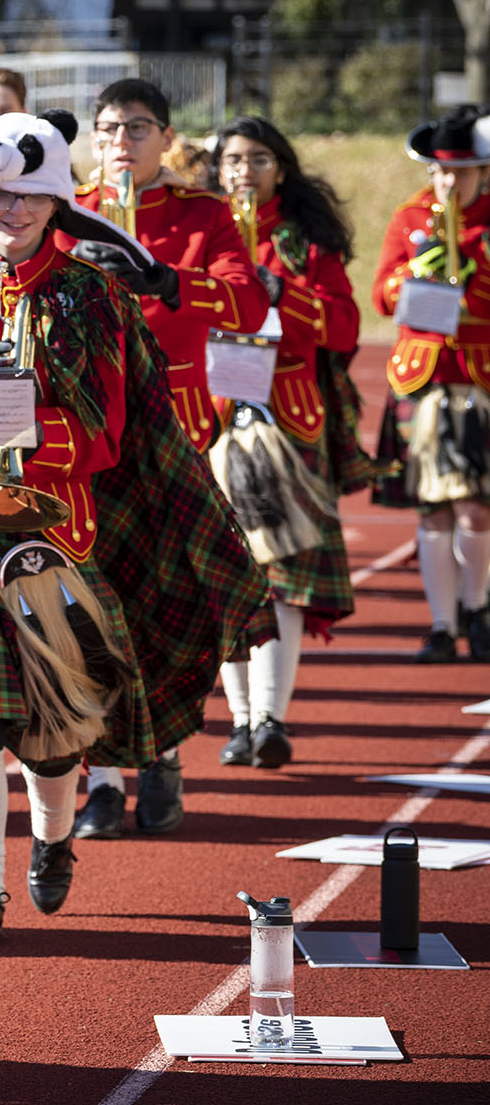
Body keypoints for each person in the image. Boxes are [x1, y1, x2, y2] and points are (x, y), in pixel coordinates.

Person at [0, 110, 270, 945]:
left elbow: (101, 435)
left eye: (31, 195)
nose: (13, 211)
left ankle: (54, 839)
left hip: (55, 532)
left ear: (57, 201)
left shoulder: (91, 290)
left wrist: (14, 418)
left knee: (52, 736)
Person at [63, 76, 265, 840]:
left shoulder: (202, 213)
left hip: (175, 434)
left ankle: (168, 755)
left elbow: (247, 303)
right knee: (86, 610)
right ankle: (103, 780)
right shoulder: (65, 208)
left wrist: (169, 281)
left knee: (165, 607)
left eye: (138, 127)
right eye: (109, 127)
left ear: (168, 137)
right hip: (84, 437)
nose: (122, 141)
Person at [208, 116, 361, 766]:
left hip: (288, 419)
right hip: (213, 419)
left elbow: (346, 327)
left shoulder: (306, 242)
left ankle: (270, 716)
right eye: (234, 160)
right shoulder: (204, 233)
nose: (246, 170)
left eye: (259, 158)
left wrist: (282, 293)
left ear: (282, 168)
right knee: (226, 581)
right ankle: (240, 721)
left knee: (284, 580)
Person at [372, 105, 490, 662]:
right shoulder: (409, 218)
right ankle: (442, 624)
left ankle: (479, 607)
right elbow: (382, 295)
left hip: (481, 381)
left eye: (461, 172)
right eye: (441, 173)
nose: (449, 183)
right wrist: (416, 272)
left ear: (481, 172)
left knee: (477, 509)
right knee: (432, 510)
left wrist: (470, 265)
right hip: (423, 378)